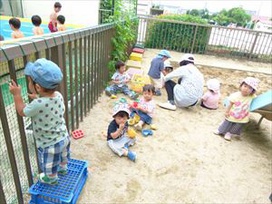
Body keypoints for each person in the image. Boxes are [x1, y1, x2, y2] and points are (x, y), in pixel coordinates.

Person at [9, 58, 70, 185]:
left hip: (49, 144)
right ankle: (63, 169)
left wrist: (16, 95)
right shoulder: (58, 95)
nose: (29, 83)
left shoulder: (37, 104)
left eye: (29, 81)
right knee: (63, 156)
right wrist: (37, 96)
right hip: (64, 137)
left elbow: (22, 111)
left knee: (49, 164)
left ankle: (52, 179)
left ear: (37, 87)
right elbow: (49, 105)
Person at [214, 77, 259, 141]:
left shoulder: (252, 97)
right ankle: (220, 130)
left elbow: (258, 99)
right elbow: (230, 104)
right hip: (233, 114)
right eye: (245, 86)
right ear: (241, 86)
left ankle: (229, 133)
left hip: (243, 116)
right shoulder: (236, 95)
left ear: (253, 90)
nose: (246, 89)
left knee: (237, 125)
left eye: (250, 88)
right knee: (227, 122)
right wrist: (227, 111)